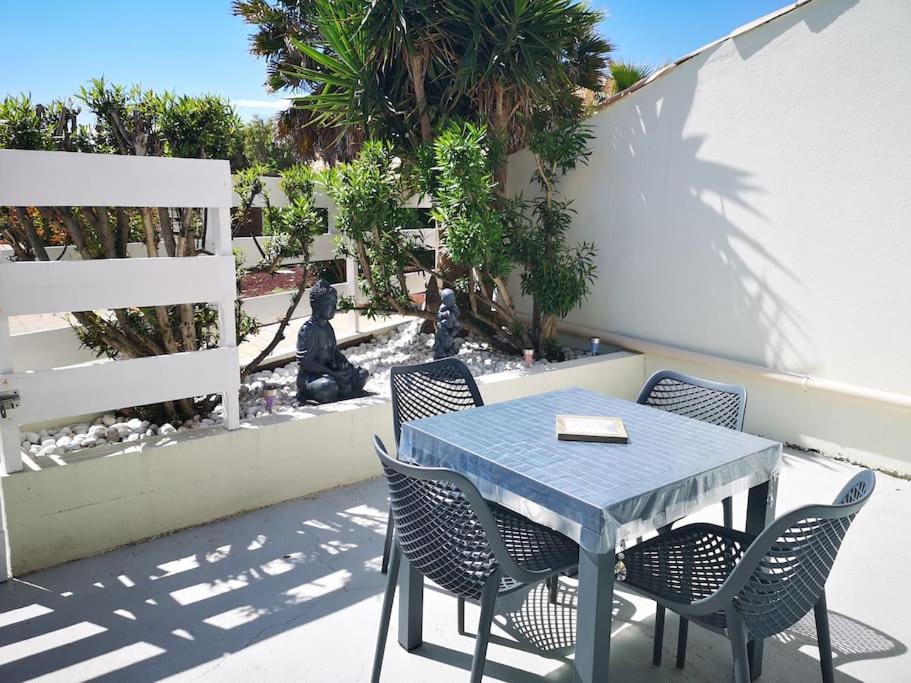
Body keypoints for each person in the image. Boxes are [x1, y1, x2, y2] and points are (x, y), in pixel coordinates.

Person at [296, 279, 369, 403]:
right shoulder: (307, 329)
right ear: (316, 305)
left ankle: (341, 389)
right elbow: (305, 362)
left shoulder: (328, 327)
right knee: (327, 387)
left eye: (335, 303)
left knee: (362, 374)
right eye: (329, 303)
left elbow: (333, 351)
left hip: (331, 372)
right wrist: (331, 373)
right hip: (312, 376)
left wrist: (344, 364)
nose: (334, 307)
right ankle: (314, 393)